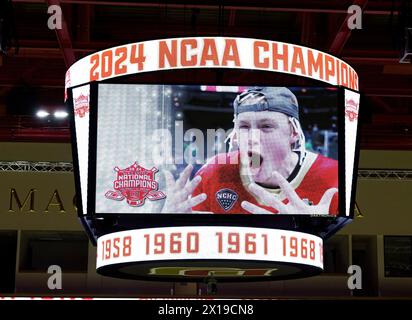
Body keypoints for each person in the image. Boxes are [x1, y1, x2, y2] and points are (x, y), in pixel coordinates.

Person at [161, 87, 338, 215]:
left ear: (292, 133)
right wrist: (167, 220)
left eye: (266, 126)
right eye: (244, 126)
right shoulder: (215, 172)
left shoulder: (333, 176)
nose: (252, 137)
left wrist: (316, 224)